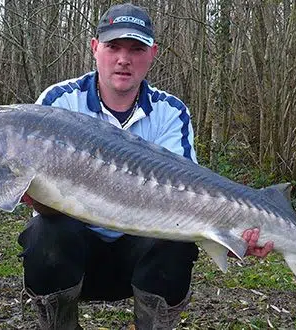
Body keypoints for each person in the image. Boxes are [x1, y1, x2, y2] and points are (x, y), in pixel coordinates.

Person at [18, 3, 273, 329]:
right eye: (113, 47)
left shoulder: (171, 112)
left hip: (141, 259)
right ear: (96, 48)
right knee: (45, 235)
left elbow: (186, 197)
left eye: (136, 48)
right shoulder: (59, 102)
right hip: (75, 258)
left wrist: (233, 233)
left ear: (153, 53)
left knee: (176, 243)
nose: (124, 58)